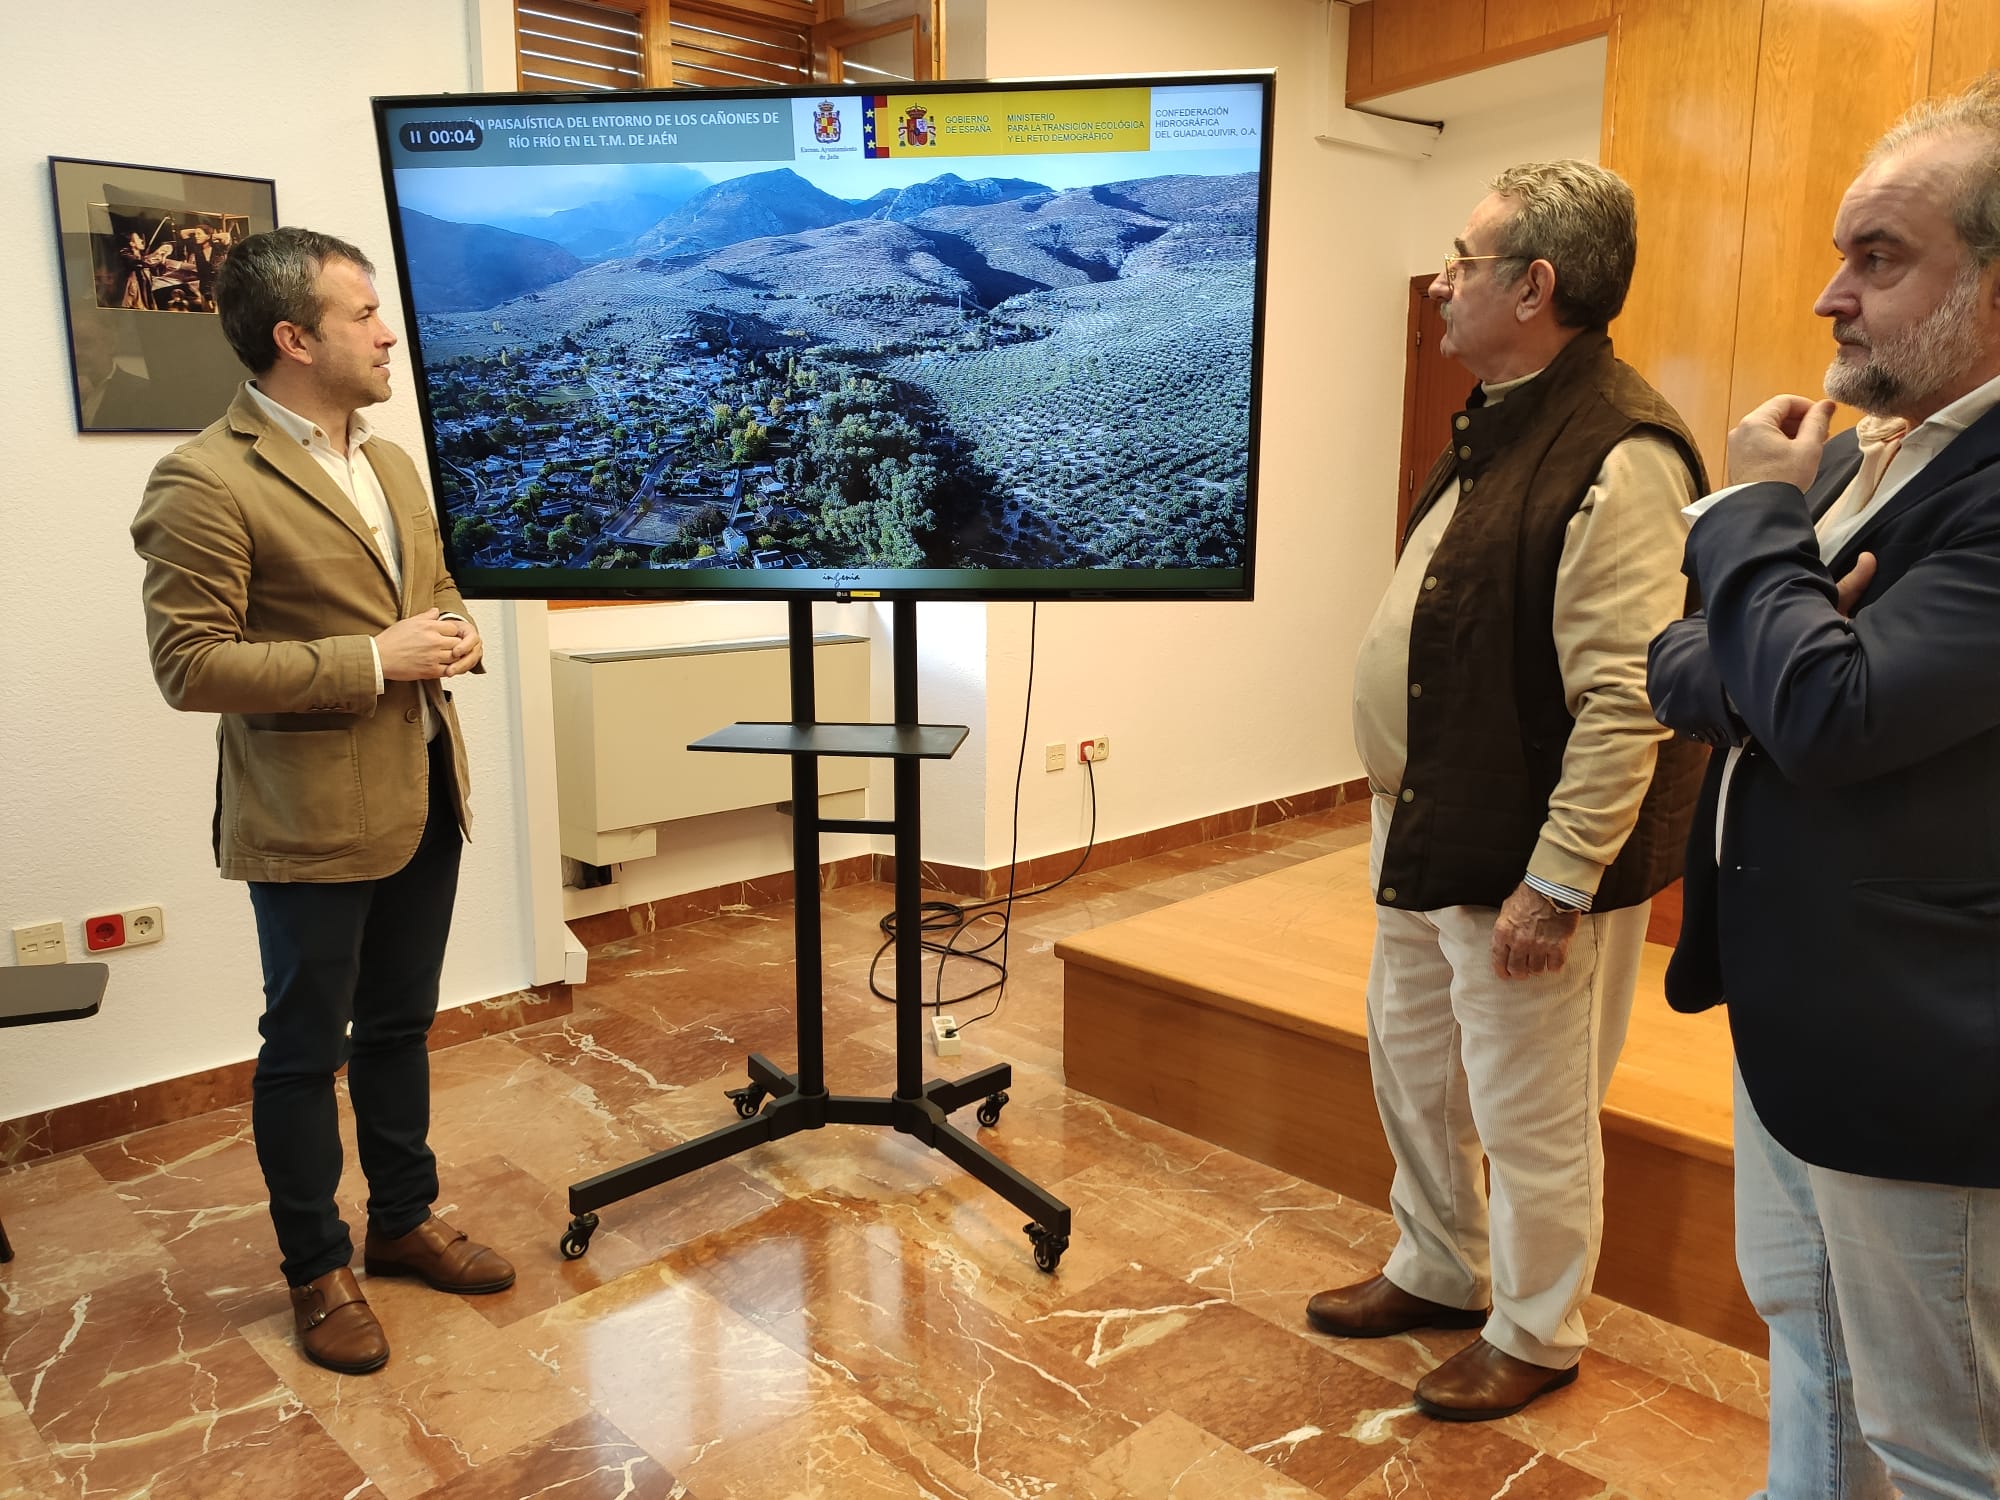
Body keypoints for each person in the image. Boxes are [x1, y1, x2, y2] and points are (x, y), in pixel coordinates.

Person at [1308, 160, 1707, 1421]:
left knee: (1529, 1114)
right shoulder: (1500, 410)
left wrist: (1556, 880)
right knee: (1412, 1070)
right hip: (1429, 822)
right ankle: (1438, 1265)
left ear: (1534, 286)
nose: (1440, 278)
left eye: (1463, 259)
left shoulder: (1621, 450)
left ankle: (1536, 1331)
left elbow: (1624, 696)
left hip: (1522, 852)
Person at [1648, 75, 2000, 1498]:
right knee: (1812, 1341)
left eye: (1880, 258)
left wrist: (1750, 523)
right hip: (1800, 1020)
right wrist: (1781, 617)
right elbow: (1684, 660)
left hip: (1919, 1050)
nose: (1828, 298)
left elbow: (1834, 711)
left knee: (1943, 1438)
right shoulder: (1861, 453)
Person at [131, 227, 513, 1377]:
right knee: (304, 1050)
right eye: (363, 314)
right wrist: (372, 660)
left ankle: (402, 1219)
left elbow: (431, 589)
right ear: (295, 339)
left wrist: (452, 634)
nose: (388, 330)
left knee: (400, 1027)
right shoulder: (203, 477)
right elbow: (190, 664)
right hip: (305, 817)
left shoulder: (390, 463)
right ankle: (317, 1268)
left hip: (423, 793)